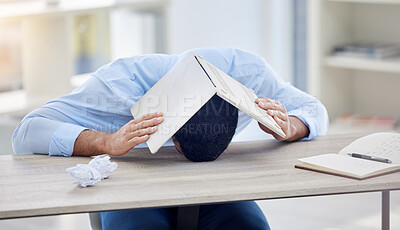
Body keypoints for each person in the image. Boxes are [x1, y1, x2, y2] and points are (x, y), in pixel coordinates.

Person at [12, 48, 329, 230]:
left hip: (214, 186)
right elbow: (26, 132)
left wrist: (292, 127)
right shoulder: (116, 86)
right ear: (173, 140)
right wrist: (103, 142)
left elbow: (314, 108)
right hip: (131, 189)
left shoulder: (248, 74)